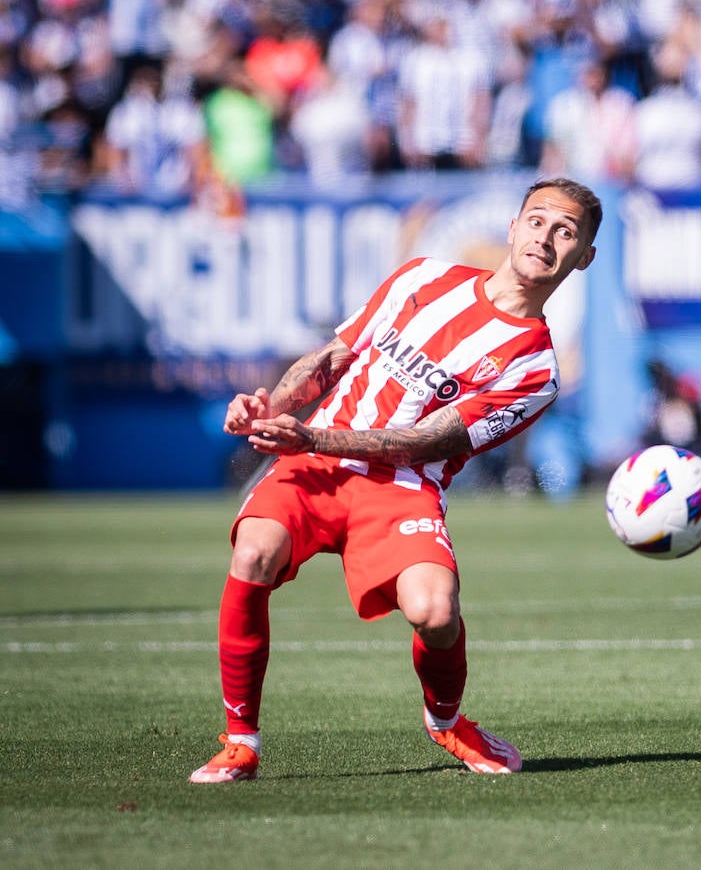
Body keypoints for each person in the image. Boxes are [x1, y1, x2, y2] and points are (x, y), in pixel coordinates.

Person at [188, 177, 601, 783]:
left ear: (582, 257)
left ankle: (448, 722)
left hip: (402, 486)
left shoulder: (535, 371)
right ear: (512, 228)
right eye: (537, 221)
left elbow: (421, 441)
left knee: (435, 612)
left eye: (565, 232)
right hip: (314, 465)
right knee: (254, 552)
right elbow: (331, 358)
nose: (546, 237)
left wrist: (311, 436)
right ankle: (241, 742)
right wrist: (272, 407)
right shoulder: (421, 277)